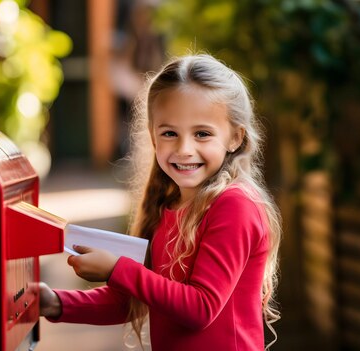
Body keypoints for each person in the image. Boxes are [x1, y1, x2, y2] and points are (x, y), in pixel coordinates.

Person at [39, 54, 282, 350]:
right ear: (154, 138)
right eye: (169, 133)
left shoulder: (235, 206)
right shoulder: (166, 206)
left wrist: (118, 269)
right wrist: (55, 303)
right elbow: (133, 299)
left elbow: (200, 308)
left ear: (235, 138)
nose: (184, 148)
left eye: (202, 134)